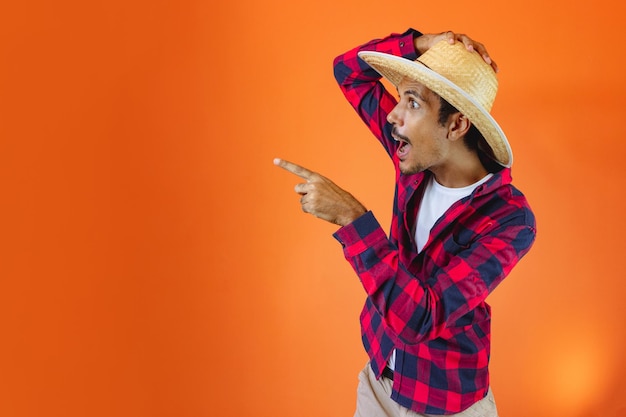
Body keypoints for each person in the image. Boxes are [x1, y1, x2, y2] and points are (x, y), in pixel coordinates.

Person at [274, 28, 536, 416]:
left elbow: (420, 319)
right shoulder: (415, 157)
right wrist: (421, 45)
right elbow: (348, 72)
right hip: (379, 383)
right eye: (400, 98)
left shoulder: (509, 220)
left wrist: (352, 218)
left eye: (412, 102)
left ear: (456, 125)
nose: (394, 116)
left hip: (446, 403)